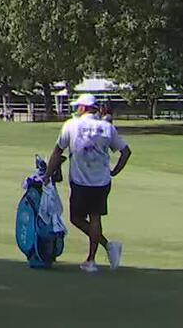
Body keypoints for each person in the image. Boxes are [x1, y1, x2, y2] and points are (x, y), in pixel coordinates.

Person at [45, 93, 131, 273]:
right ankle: (99, 254)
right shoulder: (107, 128)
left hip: (80, 180)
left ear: (83, 108)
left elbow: (57, 152)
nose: (76, 109)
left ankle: (97, 255)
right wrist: (114, 171)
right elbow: (125, 152)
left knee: (76, 218)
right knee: (95, 217)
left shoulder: (71, 125)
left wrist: (47, 174)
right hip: (101, 180)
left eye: (78, 107)